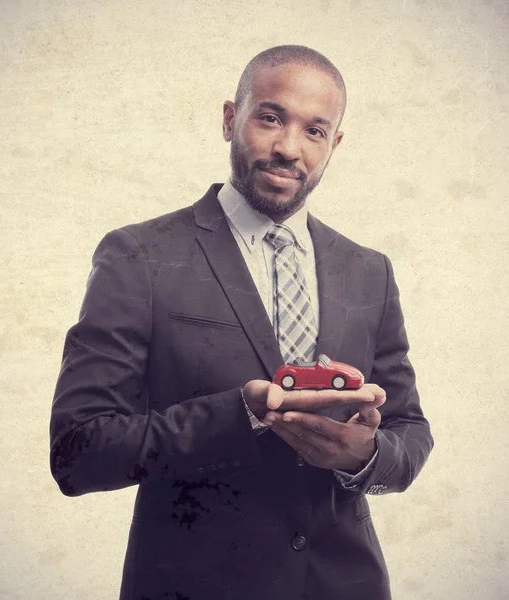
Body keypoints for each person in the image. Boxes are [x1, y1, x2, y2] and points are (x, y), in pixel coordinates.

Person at [49, 45, 433, 600]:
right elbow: (78, 451)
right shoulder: (140, 256)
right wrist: (244, 413)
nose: (288, 148)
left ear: (335, 144)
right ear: (231, 118)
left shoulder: (369, 271)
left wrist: (364, 457)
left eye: (315, 131)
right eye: (270, 117)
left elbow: (411, 432)